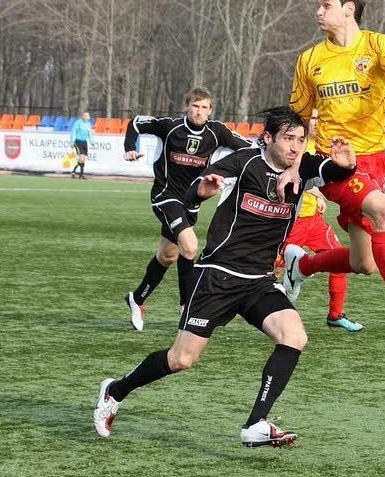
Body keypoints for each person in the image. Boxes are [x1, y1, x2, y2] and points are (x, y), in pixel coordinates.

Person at [94, 106, 358, 446]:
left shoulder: (303, 168)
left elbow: (336, 172)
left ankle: (256, 424)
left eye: (300, 139)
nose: (295, 146)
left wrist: (347, 162)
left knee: (294, 336)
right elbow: (195, 190)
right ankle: (115, 391)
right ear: (268, 138)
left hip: (259, 281)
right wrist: (203, 191)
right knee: (181, 359)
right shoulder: (244, 162)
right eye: (288, 138)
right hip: (218, 275)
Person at [282, 0, 385, 349]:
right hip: (334, 162)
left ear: (349, 9)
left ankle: (300, 266)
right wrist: (292, 164)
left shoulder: (378, 44)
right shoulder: (310, 60)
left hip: (374, 162)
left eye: (326, 4)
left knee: (364, 262)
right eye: (318, 5)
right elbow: (298, 119)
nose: (318, 11)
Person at [122, 87, 251, 331]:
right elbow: (136, 123)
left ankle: (136, 299)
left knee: (168, 256)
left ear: (210, 110)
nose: (199, 111)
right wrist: (129, 147)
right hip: (165, 196)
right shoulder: (170, 126)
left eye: (204, 107)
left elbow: (246, 148)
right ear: (186, 106)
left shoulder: (217, 131)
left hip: (191, 202)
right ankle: (187, 307)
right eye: (195, 105)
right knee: (190, 247)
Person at [277, 112, 362, 332]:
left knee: (340, 261)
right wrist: (316, 193)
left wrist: (317, 197)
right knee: (274, 269)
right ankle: (275, 317)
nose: (317, 123)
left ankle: (336, 314)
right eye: (313, 119)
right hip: (293, 221)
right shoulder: (294, 146)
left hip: (314, 221)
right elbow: (294, 176)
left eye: (319, 119)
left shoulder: (321, 145)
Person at [69, 112, 94, 179]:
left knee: (82, 160)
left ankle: (75, 172)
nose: (86, 117)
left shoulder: (89, 124)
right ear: (82, 116)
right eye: (85, 116)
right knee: (81, 159)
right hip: (78, 142)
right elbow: (73, 131)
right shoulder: (78, 122)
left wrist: (92, 142)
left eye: (87, 116)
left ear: (89, 118)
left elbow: (90, 134)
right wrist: (72, 141)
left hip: (84, 142)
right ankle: (80, 174)